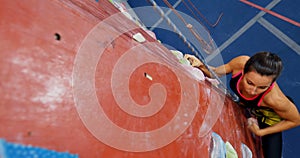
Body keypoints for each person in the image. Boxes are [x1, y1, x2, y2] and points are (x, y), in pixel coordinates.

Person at [184, 52, 300, 158]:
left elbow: (296, 120)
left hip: (269, 119)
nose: (253, 91)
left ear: (270, 84)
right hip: (252, 107)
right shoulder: (240, 63)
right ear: (243, 71)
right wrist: (200, 65)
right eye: (250, 83)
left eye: (262, 87)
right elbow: (215, 73)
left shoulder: (276, 100)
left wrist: (261, 132)